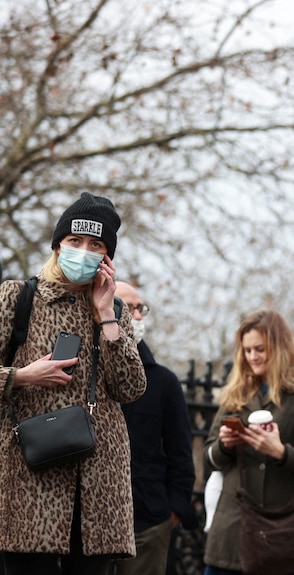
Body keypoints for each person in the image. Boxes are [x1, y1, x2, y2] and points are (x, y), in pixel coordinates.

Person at [0, 192, 146, 574]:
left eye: (95, 245)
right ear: (58, 245)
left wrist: (105, 316)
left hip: (96, 483)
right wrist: (22, 376)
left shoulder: (113, 310)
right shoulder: (18, 298)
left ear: (107, 257)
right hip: (31, 477)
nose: (83, 251)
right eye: (74, 241)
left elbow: (131, 387)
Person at [203, 310, 294, 575]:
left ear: (280, 347)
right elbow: (208, 458)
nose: (253, 357)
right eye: (247, 350)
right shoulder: (235, 392)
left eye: (260, 349)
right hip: (231, 534)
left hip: (282, 533)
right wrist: (225, 444)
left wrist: (281, 452)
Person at [112, 281, 196, 575]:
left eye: (140, 308)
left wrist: (171, 512)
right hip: (89, 526)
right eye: (127, 307)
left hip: (148, 524)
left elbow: (180, 453)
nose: (136, 316)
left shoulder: (164, 382)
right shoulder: (83, 370)